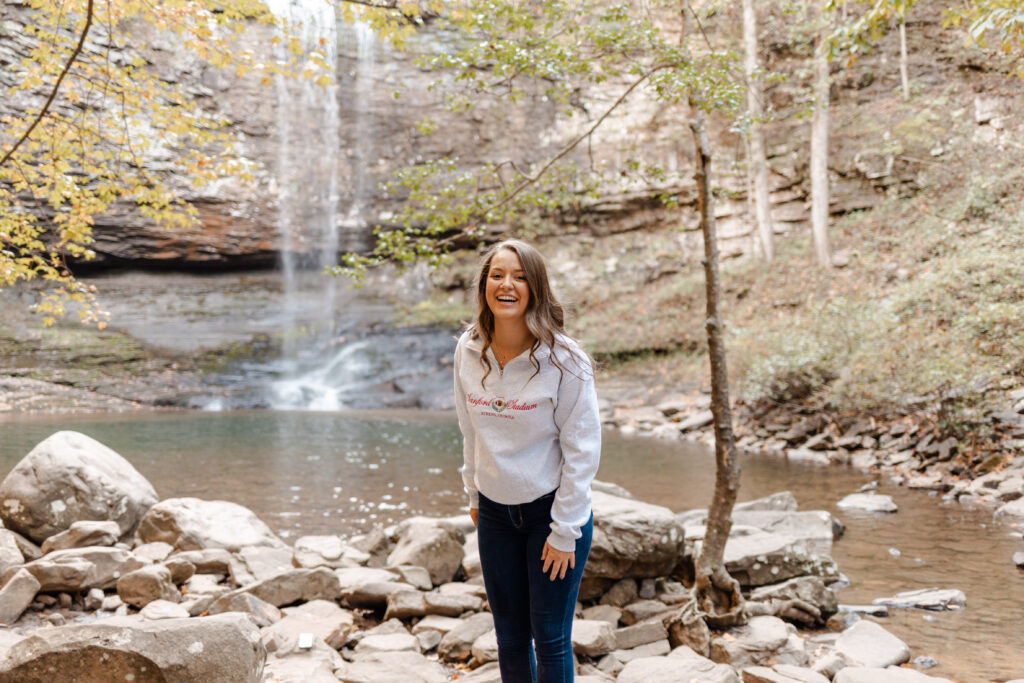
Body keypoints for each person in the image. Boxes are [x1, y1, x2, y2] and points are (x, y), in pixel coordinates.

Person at [453, 239, 601, 682]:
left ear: (535, 288)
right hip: (495, 514)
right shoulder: (467, 349)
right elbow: (469, 429)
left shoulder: (565, 358)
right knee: (510, 638)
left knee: (550, 638)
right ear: (484, 286)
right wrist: (474, 493)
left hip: (550, 514)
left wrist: (564, 529)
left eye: (519, 276)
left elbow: (582, 448)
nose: (507, 285)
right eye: (497, 275)